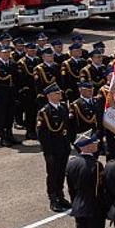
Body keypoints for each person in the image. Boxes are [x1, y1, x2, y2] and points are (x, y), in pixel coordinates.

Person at [66, 132, 111, 228]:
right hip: (94, 210)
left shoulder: (71, 163)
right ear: (86, 145)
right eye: (94, 142)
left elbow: (71, 188)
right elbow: (100, 191)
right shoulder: (96, 165)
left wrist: (75, 204)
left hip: (79, 208)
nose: (97, 144)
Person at [35, 84, 74, 212]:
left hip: (63, 146)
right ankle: (53, 198)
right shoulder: (44, 112)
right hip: (52, 149)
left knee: (62, 172)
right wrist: (48, 152)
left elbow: (67, 128)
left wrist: (68, 144)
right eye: (57, 93)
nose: (60, 95)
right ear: (50, 96)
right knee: (53, 174)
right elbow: (42, 135)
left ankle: (60, 195)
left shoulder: (63, 107)